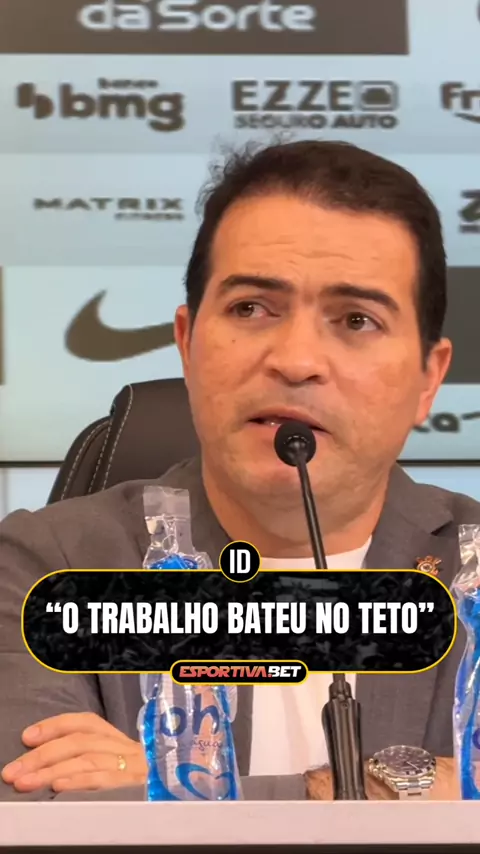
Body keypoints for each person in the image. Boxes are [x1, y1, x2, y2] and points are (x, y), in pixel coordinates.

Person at [0, 139, 474, 803]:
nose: (297, 360)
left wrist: (170, 785)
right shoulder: (44, 566)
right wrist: (408, 790)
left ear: (428, 379)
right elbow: (32, 809)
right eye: (251, 308)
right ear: (187, 342)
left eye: (356, 319)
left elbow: (113, 819)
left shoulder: (471, 564)